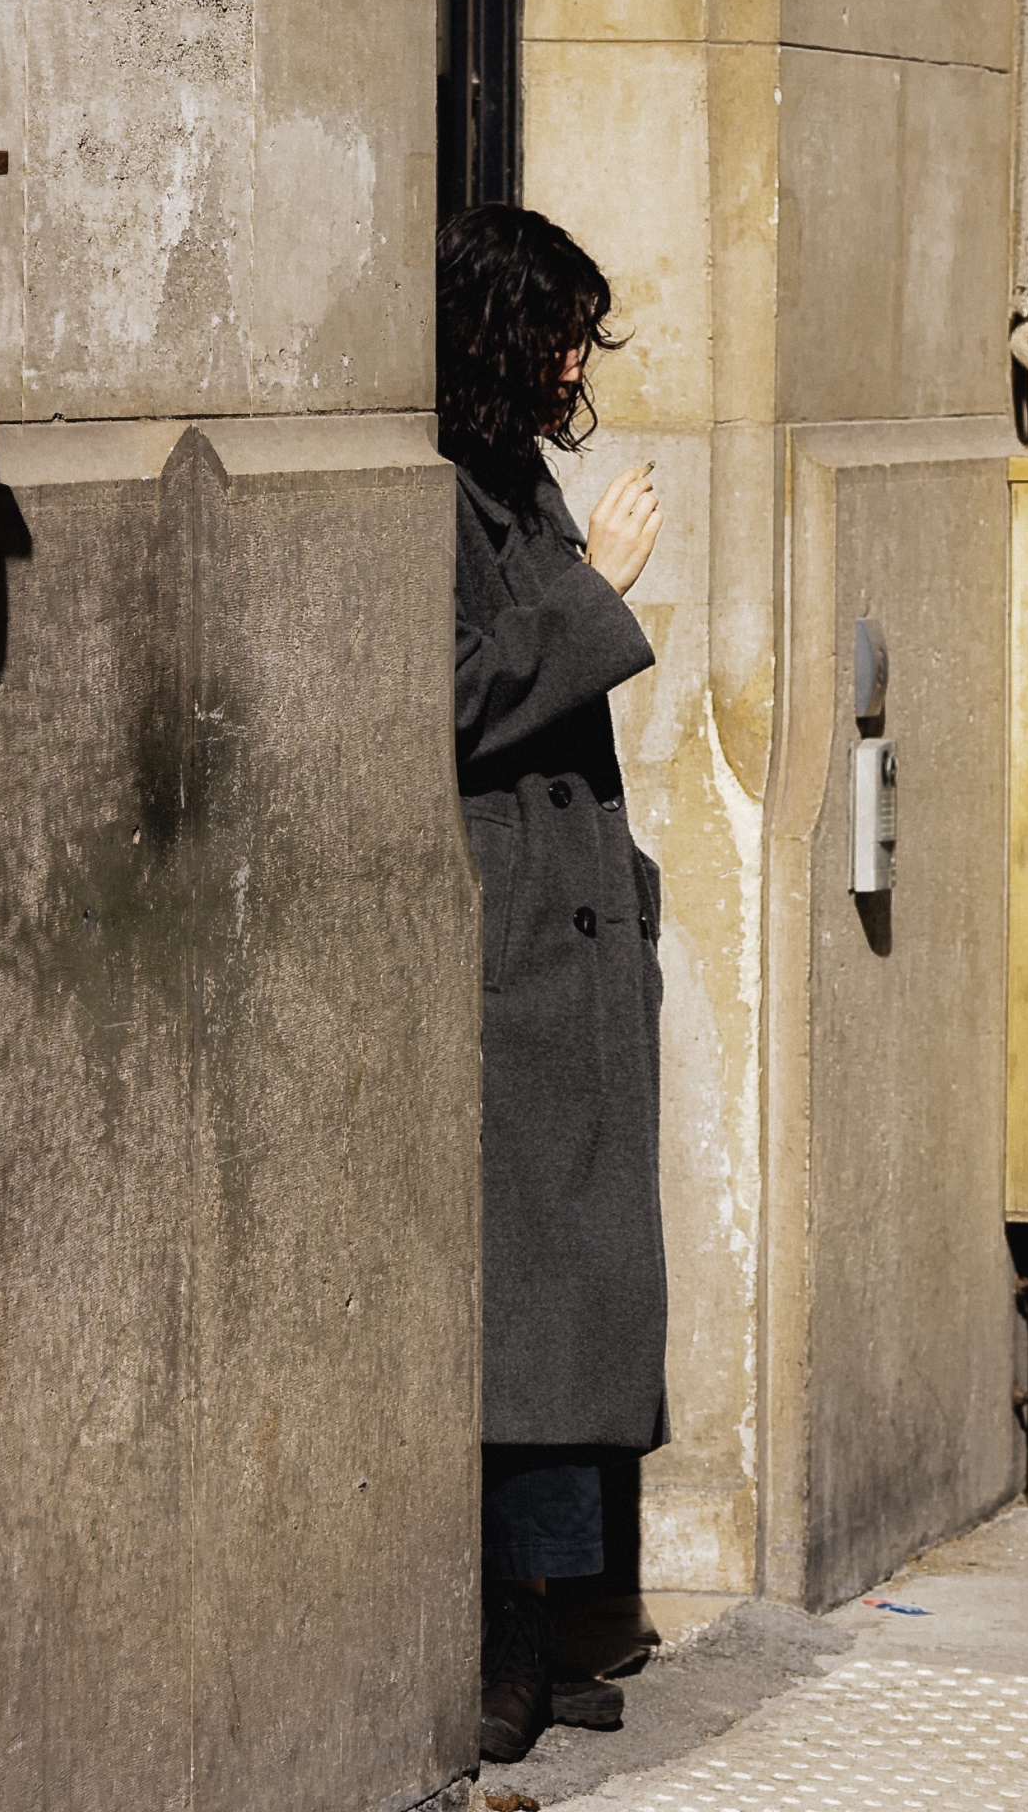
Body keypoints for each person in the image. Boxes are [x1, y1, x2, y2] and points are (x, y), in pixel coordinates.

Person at [438, 203, 669, 1763]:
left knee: (573, 1300)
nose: (577, 363)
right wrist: (607, 587)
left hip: (569, 942)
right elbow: (449, 697)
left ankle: (551, 1611)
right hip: (508, 954)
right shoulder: (443, 492)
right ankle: (503, 1645)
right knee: (520, 1319)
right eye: (557, 332)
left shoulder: (517, 479)